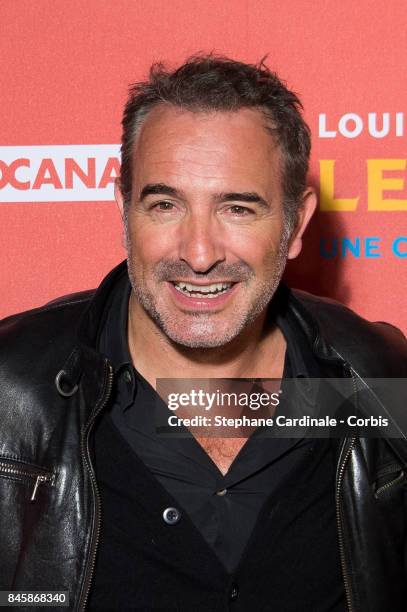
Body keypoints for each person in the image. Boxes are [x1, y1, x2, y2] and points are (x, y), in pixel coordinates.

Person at [0, 55, 406, 612]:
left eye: (237, 208)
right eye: (165, 205)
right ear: (124, 211)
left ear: (295, 224)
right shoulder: (13, 390)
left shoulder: (376, 373)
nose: (198, 253)